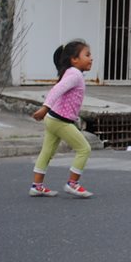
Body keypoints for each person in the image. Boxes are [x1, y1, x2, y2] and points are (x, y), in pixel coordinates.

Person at [29, 40, 94, 198]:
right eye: (87, 55)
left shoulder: (71, 72)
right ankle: (72, 183)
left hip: (54, 119)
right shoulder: (75, 74)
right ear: (74, 59)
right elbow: (57, 90)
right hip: (60, 120)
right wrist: (45, 108)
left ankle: (37, 186)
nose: (91, 58)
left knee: (47, 152)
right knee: (84, 149)